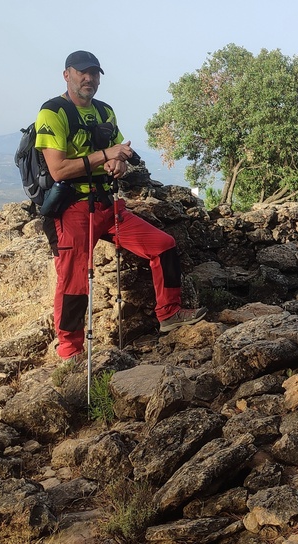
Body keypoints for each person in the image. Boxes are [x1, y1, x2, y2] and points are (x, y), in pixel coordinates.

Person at [36, 50, 206, 360]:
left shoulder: (105, 112)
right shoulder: (53, 112)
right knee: (74, 278)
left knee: (163, 244)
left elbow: (121, 153)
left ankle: (170, 314)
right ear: (67, 75)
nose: (90, 79)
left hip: (108, 207)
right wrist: (106, 156)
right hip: (72, 207)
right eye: (82, 72)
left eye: (95, 73)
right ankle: (70, 350)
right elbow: (58, 169)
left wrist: (119, 165)